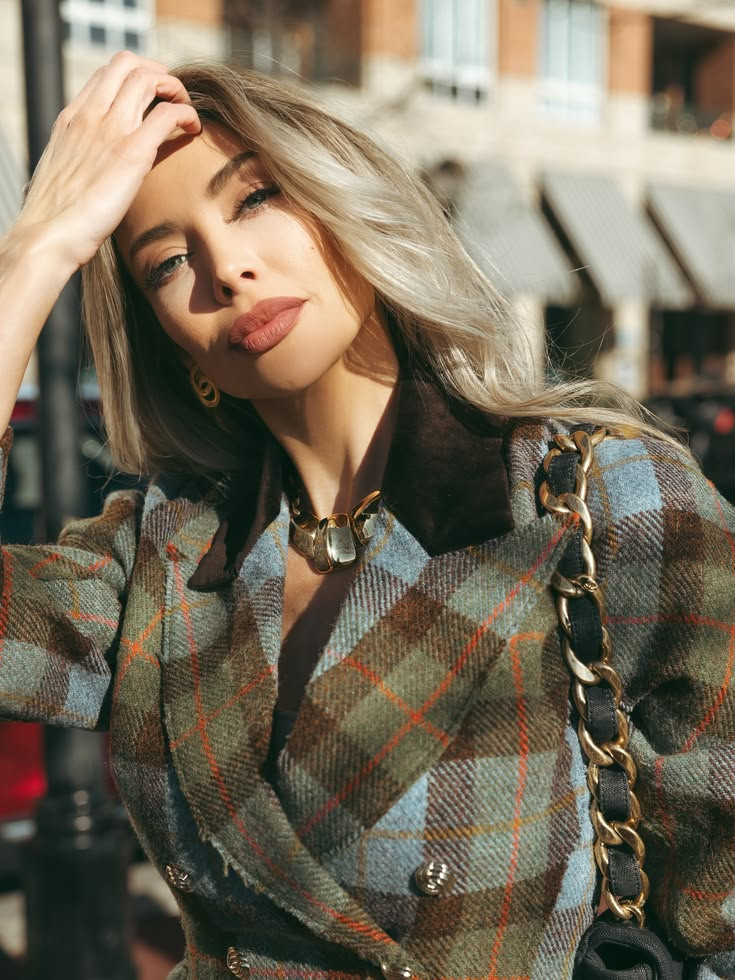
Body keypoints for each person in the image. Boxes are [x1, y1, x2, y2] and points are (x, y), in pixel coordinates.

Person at [0, 52, 733, 980]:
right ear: (167, 339)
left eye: (256, 198)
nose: (226, 268)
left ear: (340, 204)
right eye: (167, 263)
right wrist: (35, 255)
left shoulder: (603, 500)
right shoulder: (166, 554)